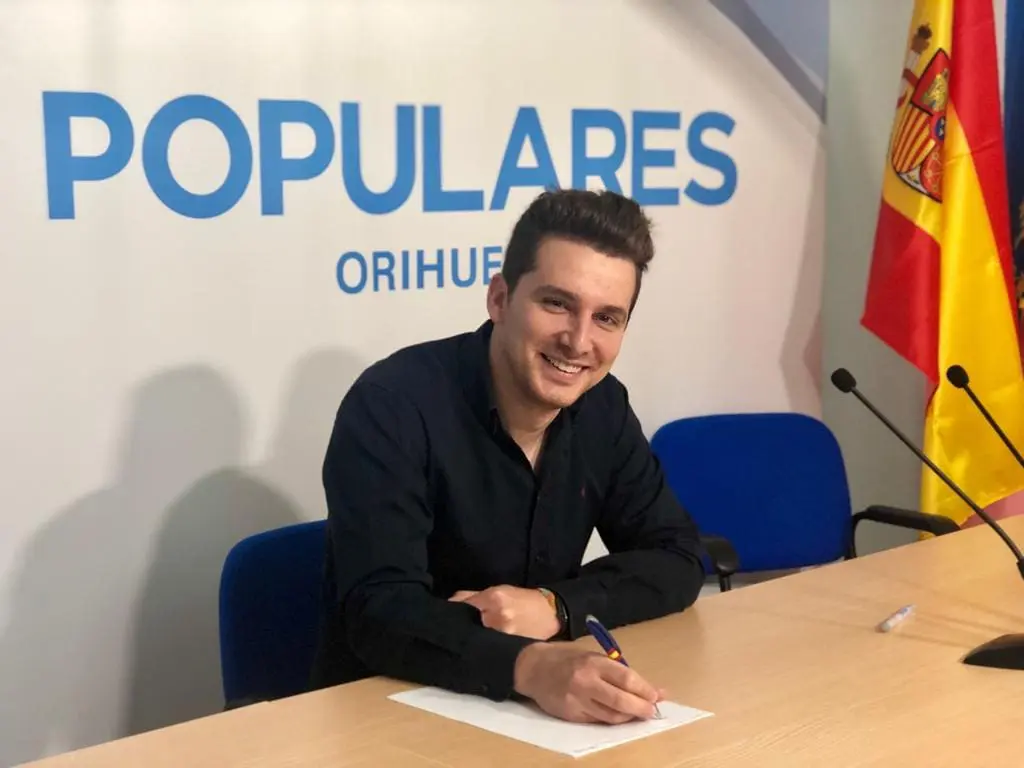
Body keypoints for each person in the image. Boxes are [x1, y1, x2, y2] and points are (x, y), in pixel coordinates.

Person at [309, 188, 706, 725]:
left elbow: (677, 557)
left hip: (538, 724)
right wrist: (530, 667)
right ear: (499, 299)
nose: (578, 341)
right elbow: (378, 612)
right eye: (557, 304)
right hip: (385, 713)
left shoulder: (603, 406)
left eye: (607, 318)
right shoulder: (391, 405)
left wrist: (555, 606)